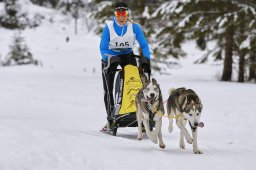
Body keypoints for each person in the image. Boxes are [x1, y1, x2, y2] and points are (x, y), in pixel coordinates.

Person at [100, 2, 151, 131]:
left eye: (123, 13)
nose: (121, 16)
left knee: (136, 85)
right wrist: (109, 58)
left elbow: (144, 45)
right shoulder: (109, 26)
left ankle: (140, 115)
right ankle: (110, 119)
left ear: (127, 14)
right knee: (109, 89)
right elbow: (103, 48)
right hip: (110, 57)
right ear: (115, 14)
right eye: (118, 13)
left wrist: (146, 59)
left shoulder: (134, 27)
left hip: (128, 56)